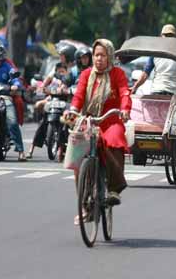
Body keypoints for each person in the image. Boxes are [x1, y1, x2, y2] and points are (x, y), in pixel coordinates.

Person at [66, 39, 131, 223]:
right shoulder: (86, 74)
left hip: (110, 120)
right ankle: (85, 205)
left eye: (102, 55)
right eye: (96, 55)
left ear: (109, 56)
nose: (98, 59)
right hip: (89, 121)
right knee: (77, 153)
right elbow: (79, 96)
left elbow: (125, 92)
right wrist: (72, 110)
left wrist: (125, 109)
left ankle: (113, 189)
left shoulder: (117, 74)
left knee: (115, 138)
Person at [131, 24, 176, 96]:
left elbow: (145, 74)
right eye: (167, 35)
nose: (168, 38)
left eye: (169, 36)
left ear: (161, 36)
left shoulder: (155, 52)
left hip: (158, 92)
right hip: (171, 93)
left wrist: (135, 87)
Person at [27, 62, 71, 159]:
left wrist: (65, 89)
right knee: (42, 121)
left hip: (64, 103)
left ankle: (64, 149)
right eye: (59, 71)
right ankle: (31, 149)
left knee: (67, 123)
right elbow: (42, 86)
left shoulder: (68, 79)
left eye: (63, 71)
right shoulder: (52, 78)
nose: (61, 73)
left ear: (66, 71)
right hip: (51, 100)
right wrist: (41, 88)